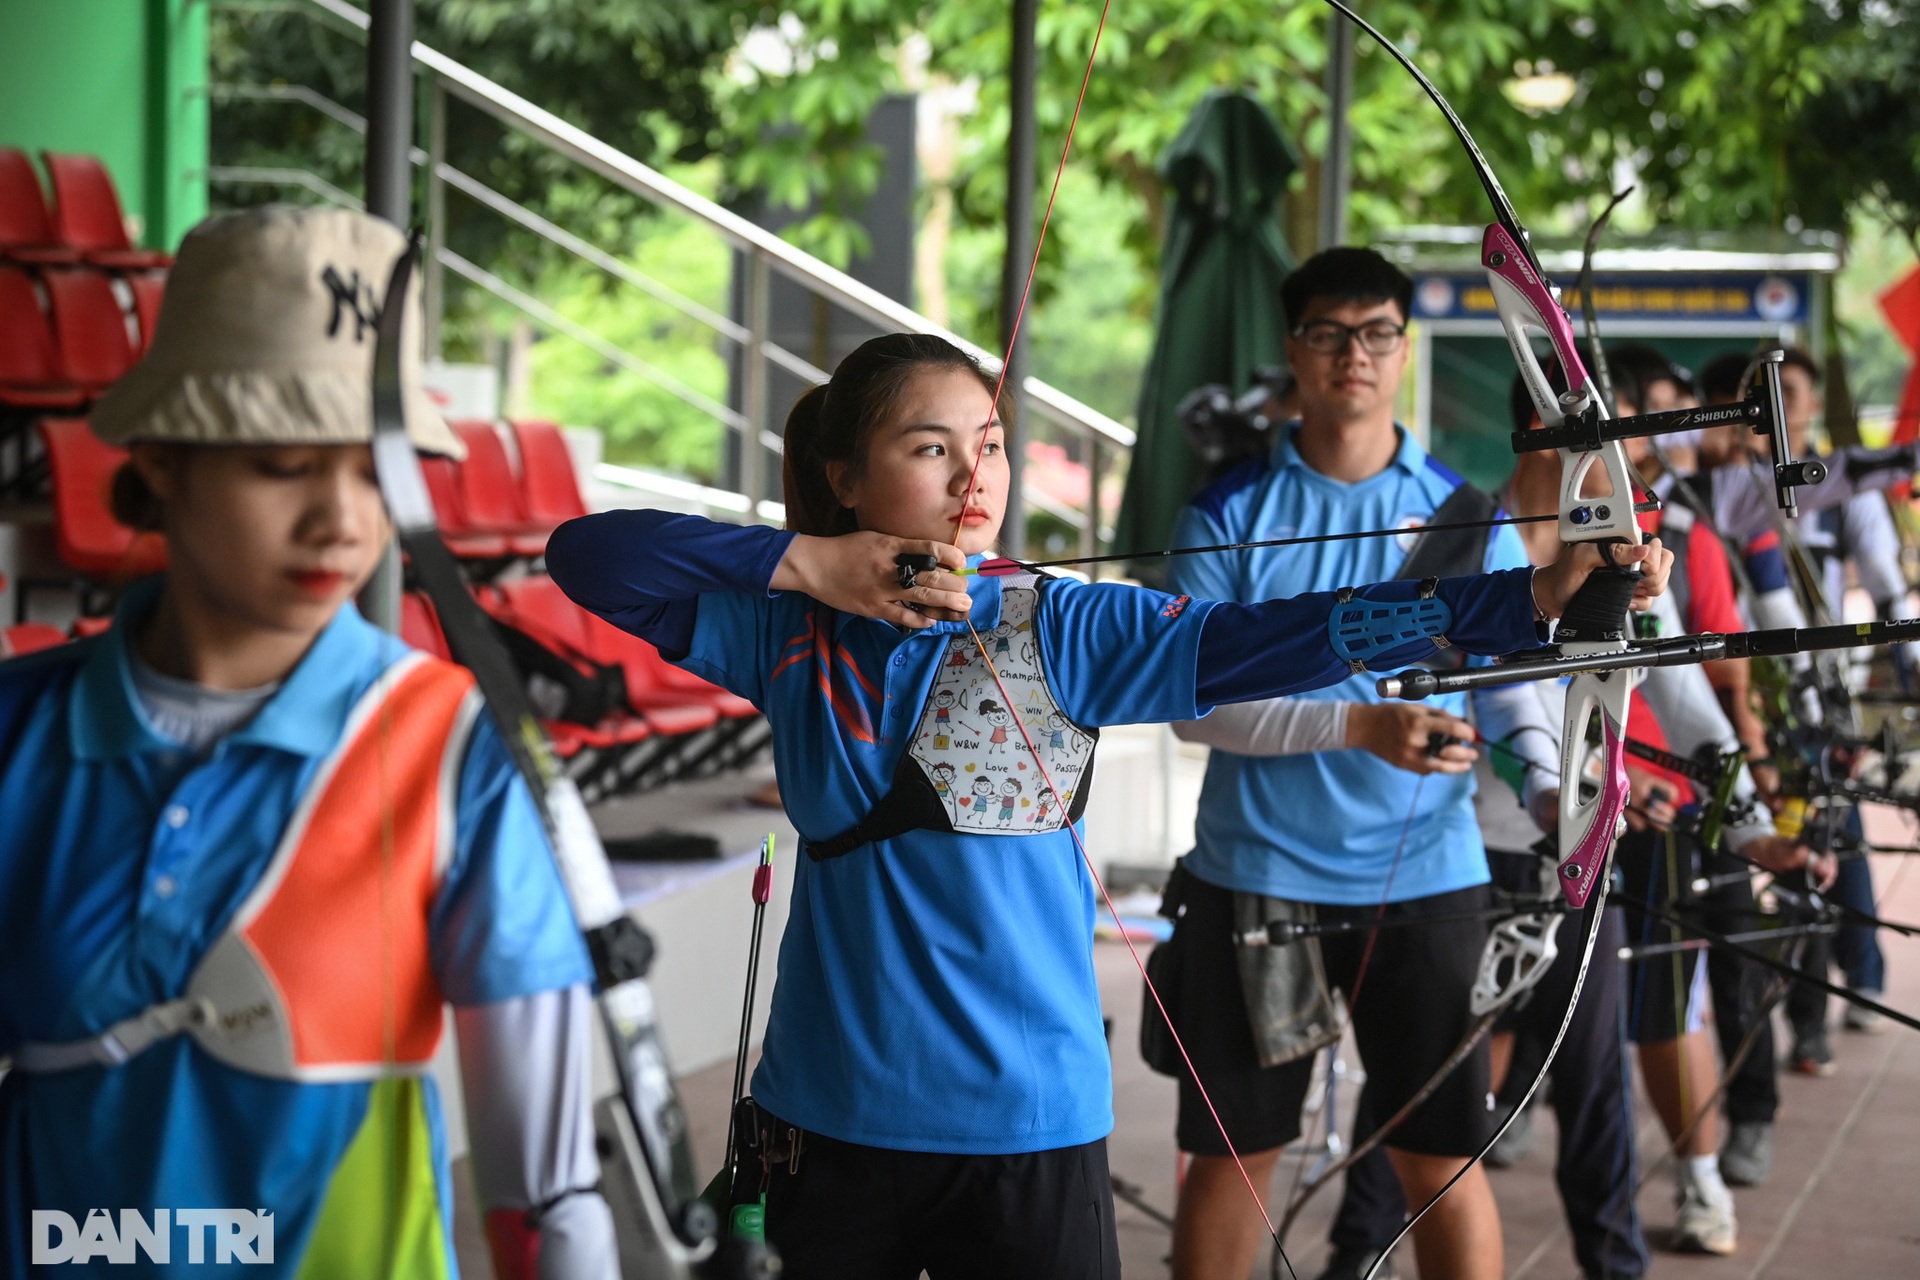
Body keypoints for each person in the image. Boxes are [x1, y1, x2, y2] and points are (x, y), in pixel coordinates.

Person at [544, 329, 1665, 1280]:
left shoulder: (1063, 624)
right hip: (824, 1115)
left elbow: (1289, 635)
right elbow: (586, 555)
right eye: (930, 448)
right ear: (844, 475)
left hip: (1028, 1123)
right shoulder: (783, 629)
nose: (972, 477)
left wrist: (1528, 598)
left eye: (988, 445)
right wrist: (809, 565)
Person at [0, 207, 617, 1277]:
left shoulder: (456, 751)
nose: (342, 519)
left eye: (378, 471)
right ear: (163, 458)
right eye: (284, 463)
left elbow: (545, 1195)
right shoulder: (18, 731)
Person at [1151, 247, 1666, 1280]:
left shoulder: (1464, 513)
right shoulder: (1225, 513)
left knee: (1441, 1158)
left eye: (1378, 332)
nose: (1355, 353)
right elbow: (1194, 708)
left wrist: (1550, 788)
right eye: (1329, 333)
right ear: (1294, 349)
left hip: (1428, 878)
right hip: (1257, 873)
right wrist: (1360, 728)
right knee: (1234, 1161)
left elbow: (1510, 683)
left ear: (1404, 348)